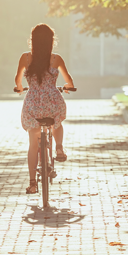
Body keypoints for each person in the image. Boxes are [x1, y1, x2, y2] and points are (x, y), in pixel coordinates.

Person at [14, 23, 75, 194]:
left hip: (33, 105)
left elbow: (17, 80)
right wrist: (68, 86)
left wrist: (19, 88)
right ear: (51, 41)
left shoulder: (25, 58)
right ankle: (59, 147)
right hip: (52, 103)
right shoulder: (56, 59)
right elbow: (69, 80)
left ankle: (33, 183)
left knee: (33, 144)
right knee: (57, 122)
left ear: (32, 40)